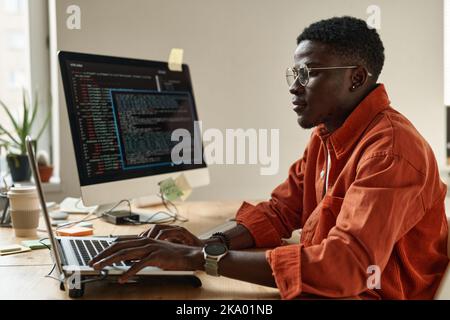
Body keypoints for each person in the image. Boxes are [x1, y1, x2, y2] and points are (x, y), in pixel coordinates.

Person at [89, 16, 449, 299]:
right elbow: (280, 211)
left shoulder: (391, 152)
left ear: (355, 78)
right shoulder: (327, 135)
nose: (294, 86)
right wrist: (210, 244)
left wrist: (201, 260)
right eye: (295, 73)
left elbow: (346, 267)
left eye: (308, 74)